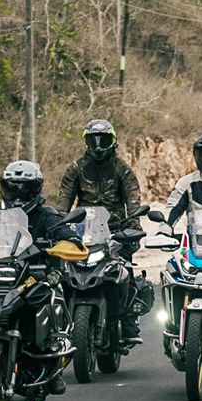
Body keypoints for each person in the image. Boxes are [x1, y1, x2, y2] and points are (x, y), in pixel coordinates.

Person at [58, 118, 148, 343]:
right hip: (82, 230)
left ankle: (128, 320)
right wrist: (58, 225)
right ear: (86, 142)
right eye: (93, 140)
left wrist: (133, 226)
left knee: (124, 270)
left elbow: (133, 200)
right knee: (61, 272)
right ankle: (59, 320)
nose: (98, 146)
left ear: (112, 142)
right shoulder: (76, 168)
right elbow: (63, 202)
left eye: (103, 140)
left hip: (115, 230)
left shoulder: (122, 169)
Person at [0, 160, 83, 395]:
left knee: (56, 295)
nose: (17, 195)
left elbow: (61, 230)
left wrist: (70, 239)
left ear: (35, 190)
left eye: (24, 189)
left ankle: (54, 361)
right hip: (3, 277)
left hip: (36, 276)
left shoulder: (46, 215)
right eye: (12, 188)